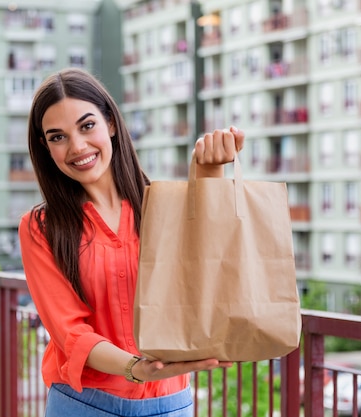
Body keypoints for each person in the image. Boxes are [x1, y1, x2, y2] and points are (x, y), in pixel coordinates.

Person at [18, 67, 245, 417]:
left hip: (170, 404)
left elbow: (206, 271)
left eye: (87, 125)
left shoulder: (163, 207)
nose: (77, 147)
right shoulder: (41, 228)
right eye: (57, 137)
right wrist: (135, 367)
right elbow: (71, 333)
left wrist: (210, 170)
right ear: (46, 148)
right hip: (83, 405)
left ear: (110, 123)